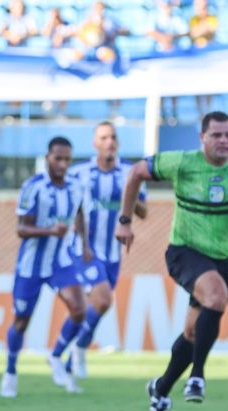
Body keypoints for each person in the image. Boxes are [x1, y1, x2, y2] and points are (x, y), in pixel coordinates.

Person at [115, 111, 228, 411]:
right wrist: (124, 220)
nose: (223, 141)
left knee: (192, 332)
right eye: (216, 135)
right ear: (202, 137)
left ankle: (160, 390)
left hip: (224, 258)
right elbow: (135, 172)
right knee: (216, 297)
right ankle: (197, 377)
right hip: (184, 251)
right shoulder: (182, 163)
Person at [0, 136, 89, 398]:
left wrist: (84, 244)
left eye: (67, 160)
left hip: (61, 261)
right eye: (58, 158)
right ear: (48, 157)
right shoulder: (33, 186)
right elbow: (21, 229)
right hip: (31, 265)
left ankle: (56, 355)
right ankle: (10, 371)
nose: (62, 164)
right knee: (21, 320)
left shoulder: (76, 186)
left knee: (79, 309)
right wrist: (50, 230)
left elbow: (79, 213)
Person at [61, 121, 148, 380]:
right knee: (102, 300)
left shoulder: (130, 172)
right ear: (94, 143)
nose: (109, 142)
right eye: (103, 138)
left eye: (113, 137)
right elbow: (67, 207)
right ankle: (76, 348)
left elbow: (143, 211)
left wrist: (128, 196)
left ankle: (67, 360)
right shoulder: (79, 173)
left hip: (112, 253)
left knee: (95, 306)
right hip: (84, 249)